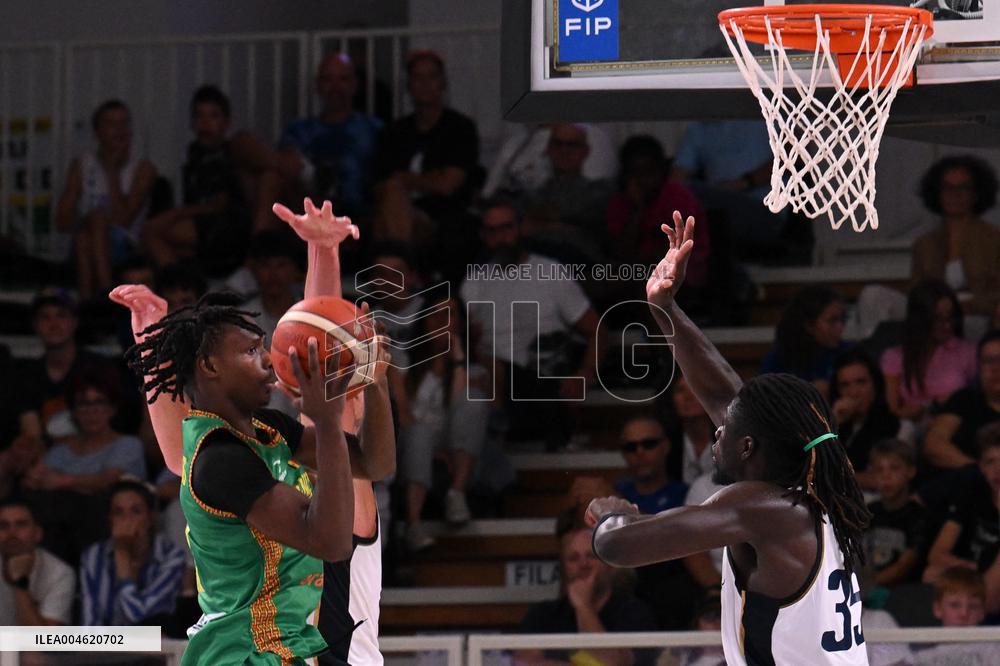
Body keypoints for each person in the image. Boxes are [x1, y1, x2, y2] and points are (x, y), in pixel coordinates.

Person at [589, 211, 872, 665]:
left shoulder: (761, 507)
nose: (716, 427)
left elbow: (618, 547)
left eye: (725, 429)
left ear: (748, 447)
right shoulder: (810, 497)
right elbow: (726, 395)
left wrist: (613, 516)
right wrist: (665, 307)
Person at [120, 289, 355, 663]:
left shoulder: (282, 439)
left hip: (295, 645)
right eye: (250, 352)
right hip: (246, 649)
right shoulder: (221, 458)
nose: (268, 363)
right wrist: (153, 343)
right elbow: (180, 445)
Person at [460, 201, 605, 451]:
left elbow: (597, 329)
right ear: (484, 235)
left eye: (506, 228)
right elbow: (470, 344)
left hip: (543, 372)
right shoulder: (473, 283)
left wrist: (585, 372)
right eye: (492, 231)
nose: (501, 237)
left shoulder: (551, 272)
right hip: (494, 379)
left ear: (521, 228)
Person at [142, 85, 285, 279]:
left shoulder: (236, 150)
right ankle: (182, 285)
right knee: (151, 232)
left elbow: (223, 203)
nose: (205, 123)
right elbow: (205, 204)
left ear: (226, 123)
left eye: (213, 116)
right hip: (207, 230)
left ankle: (252, 264)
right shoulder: (191, 163)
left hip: (239, 226)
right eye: (200, 116)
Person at [400, 298, 489, 552]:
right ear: (424, 321)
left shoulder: (473, 370)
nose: (442, 323)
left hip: (455, 447)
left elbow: (457, 408)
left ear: (460, 322)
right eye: (435, 315)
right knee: (419, 432)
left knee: (474, 402)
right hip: (413, 442)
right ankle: (413, 524)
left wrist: (457, 358)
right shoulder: (404, 364)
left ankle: (457, 494)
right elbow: (405, 416)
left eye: (449, 315)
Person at [374, 50, 481, 249]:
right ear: (409, 85)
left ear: (443, 83)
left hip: (443, 216)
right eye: (418, 77)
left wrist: (406, 179)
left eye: (432, 77)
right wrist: (429, 179)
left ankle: (399, 267)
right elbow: (382, 185)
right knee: (387, 206)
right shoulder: (393, 132)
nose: (425, 84)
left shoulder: (460, 128)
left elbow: (448, 185)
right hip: (398, 210)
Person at [54, 99, 157, 301]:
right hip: (85, 239)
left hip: (126, 245)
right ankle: (104, 295)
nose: (119, 130)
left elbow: (123, 219)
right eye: (111, 124)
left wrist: (112, 172)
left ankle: (95, 298)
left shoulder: (144, 169)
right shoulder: (81, 165)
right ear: (97, 132)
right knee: (88, 231)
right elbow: (61, 222)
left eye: (124, 124)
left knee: (92, 229)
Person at [516, 522, 657, 666]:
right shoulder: (542, 614)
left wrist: (583, 607)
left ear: (608, 564)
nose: (583, 564)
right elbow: (525, 662)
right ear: (564, 568)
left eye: (591, 556)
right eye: (573, 558)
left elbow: (615, 662)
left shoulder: (634, 612)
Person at [279, 54, 382, 219]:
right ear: (318, 85)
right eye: (328, 79)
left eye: (343, 79)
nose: (335, 87)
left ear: (355, 85)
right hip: (308, 218)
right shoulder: (298, 131)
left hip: (360, 218)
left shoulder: (374, 129)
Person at [79, 478, 186, 626]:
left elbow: (136, 614)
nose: (127, 520)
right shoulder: (93, 556)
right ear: (110, 520)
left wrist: (122, 555)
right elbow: (89, 627)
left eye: (136, 511)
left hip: (155, 643)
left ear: (150, 518)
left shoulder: (172, 557)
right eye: (118, 512)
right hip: (105, 646)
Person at [923, 422, 1000, 612]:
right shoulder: (973, 494)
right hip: (976, 578)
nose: (998, 470)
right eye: (990, 462)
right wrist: (975, 570)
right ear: (981, 467)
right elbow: (937, 554)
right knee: (931, 574)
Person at [880, 280, 976, 423]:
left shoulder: (967, 351)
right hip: (910, 426)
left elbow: (976, 398)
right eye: (938, 319)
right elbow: (893, 410)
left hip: (955, 424)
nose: (947, 325)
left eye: (951, 317)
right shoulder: (895, 357)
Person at [830, 349, 907, 491]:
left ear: (875, 385)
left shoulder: (898, 426)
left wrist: (830, 476)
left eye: (861, 382)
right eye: (844, 385)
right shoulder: (834, 424)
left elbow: (882, 479)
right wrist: (833, 424)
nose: (853, 392)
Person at [922, 330, 1000, 470]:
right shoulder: (964, 400)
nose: (995, 368)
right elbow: (934, 444)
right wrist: (983, 471)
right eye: (988, 361)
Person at [761, 285, 851, 399]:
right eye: (832, 321)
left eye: (842, 319)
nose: (840, 327)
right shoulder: (781, 358)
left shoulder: (849, 353)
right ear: (809, 325)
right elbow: (765, 398)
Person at [863, 439, 927, 591]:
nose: (886, 476)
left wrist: (867, 586)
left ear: (910, 471)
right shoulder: (868, 511)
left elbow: (904, 566)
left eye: (894, 468)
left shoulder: (918, 516)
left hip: (904, 592)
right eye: (879, 470)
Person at [0, 500, 75, 625]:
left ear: (38, 534)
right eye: (3, 526)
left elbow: (43, 640)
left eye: (21, 525)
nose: (11, 533)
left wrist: (20, 583)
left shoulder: (60, 574)